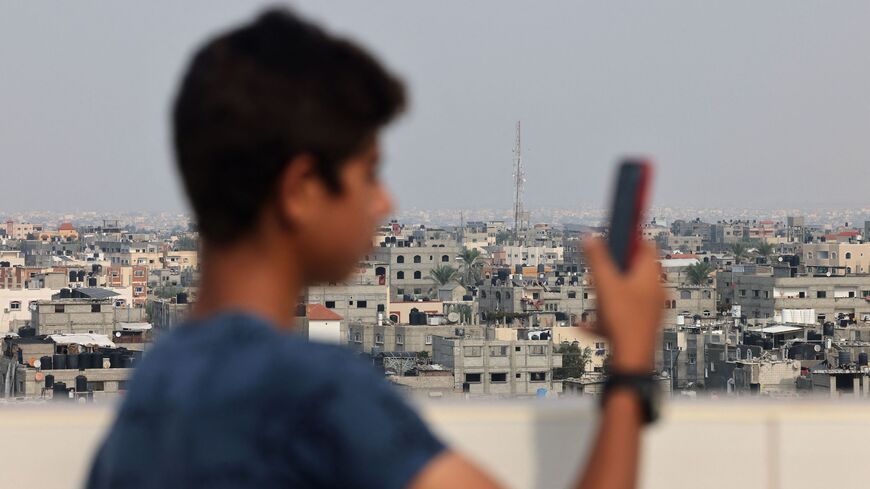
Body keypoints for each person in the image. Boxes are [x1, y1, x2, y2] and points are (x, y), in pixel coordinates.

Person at [86, 8, 664, 489]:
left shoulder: (154, 388)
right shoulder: (312, 393)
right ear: (301, 190)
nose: (384, 200)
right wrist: (631, 369)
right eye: (368, 172)